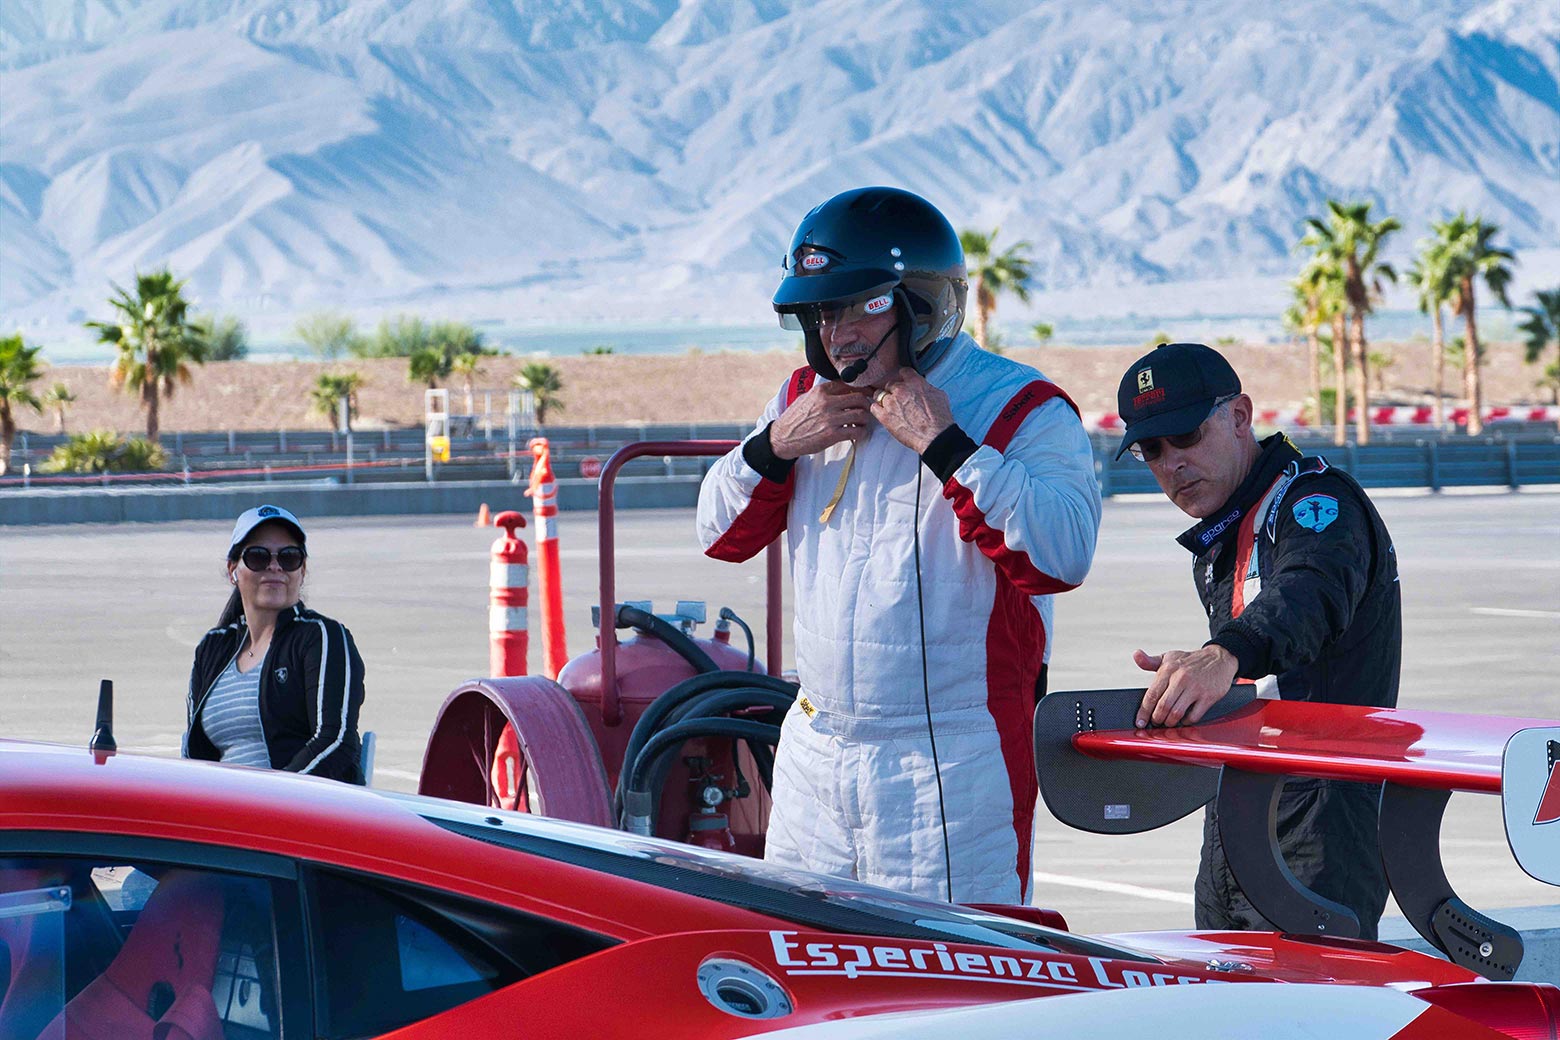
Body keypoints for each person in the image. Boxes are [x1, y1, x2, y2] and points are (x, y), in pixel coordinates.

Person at [697, 186, 1101, 903]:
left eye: (861, 305)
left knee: (956, 994)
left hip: (949, 760)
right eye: (823, 312)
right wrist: (775, 445)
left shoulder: (1021, 406)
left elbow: (1061, 553)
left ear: (921, 302)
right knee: (802, 972)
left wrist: (947, 447)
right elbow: (719, 533)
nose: (838, 333)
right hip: (816, 752)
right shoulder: (803, 395)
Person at [1116, 342, 1400, 937]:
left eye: (1187, 436)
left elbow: (1309, 593)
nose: (1171, 463)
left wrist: (1226, 654)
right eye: (1151, 449)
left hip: (1319, 828)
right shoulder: (1230, 525)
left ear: (1240, 416)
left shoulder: (1315, 503)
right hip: (1237, 817)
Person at [185, 504, 366, 783]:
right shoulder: (212, 648)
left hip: (299, 814)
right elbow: (194, 757)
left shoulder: (321, 637)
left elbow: (336, 741)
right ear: (233, 569)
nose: (274, 566)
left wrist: (272, 799)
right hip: (224, 815)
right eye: (258, 557)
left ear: (302, 570)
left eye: (289, 557)